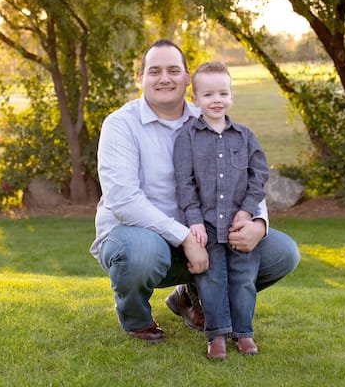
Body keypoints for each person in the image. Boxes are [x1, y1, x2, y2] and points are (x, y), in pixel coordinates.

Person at [90, 39, 300, 347]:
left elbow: (243, 177)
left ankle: (192, 297)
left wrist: (257, 221)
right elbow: (124, 200)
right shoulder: (121, 124)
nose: (165, 78)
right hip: (137, 237)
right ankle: (137, 319)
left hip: (206, 236)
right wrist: (185, 237)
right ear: (141, 78)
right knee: (143, 252)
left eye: (173, 70)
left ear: (187, 78)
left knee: (282, 252)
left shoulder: (209, 117)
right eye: (155, 71)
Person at [173, 61, 270, 360]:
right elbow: (185, 183)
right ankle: (216, 335)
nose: (217, 100)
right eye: (208, 94)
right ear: (195, 98)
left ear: (231, 96)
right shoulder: (187, 137)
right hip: (206, 225)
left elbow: (259, 175)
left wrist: (248, 211)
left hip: (238, 225)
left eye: (223, 93)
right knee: (212, 280)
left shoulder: (245, 136)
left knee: (243, 279)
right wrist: (193, 221)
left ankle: (243, 333)